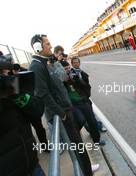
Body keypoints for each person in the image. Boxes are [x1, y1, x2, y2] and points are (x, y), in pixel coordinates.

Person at [28, 34, 99, 175]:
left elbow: (62, 79)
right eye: (47, 44)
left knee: (77, 142)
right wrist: (61, 113)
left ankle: (85, 168)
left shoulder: (47, 62)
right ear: (38, 47)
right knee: (77, 144)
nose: (50, 45)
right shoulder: (36, 66)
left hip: (66, 108)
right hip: (62, 113)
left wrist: (56, 62)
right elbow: (43, 94)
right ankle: (86, 171)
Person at [0, 56, 45, 176]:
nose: (5, 75)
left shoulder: (11, 91)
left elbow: (38, 110)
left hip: (32, 163)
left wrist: (17, 95)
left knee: (40, 128)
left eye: (4, 72)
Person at [61, 59, 107, 138]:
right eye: (65, 69)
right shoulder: (61, 80)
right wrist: (64, 80)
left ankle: (97, 140)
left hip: (83, 101)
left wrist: (76, 79)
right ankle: (75, 138)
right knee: (81, 120)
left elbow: (86, 86)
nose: (68, 70)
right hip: (73, 104)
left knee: (92, 121)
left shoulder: (77, 74)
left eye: (68, 68)